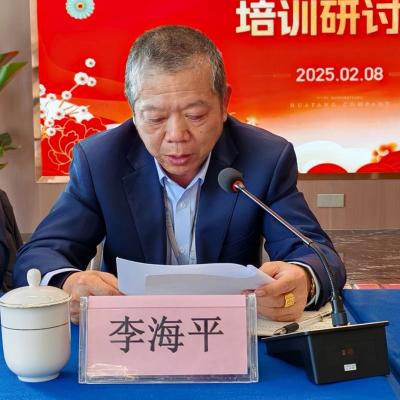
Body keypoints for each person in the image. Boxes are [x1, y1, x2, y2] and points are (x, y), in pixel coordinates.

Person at [13, 25, 345, 324]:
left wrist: (303, 280)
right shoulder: (100, 160)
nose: (176, 136)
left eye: (195, 115)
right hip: (131, 333)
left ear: (224, 103)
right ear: (132, 110)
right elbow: (39, 256)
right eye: (155, 118)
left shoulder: (265, 157)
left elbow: (318, 255)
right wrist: (68, 283)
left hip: (226, 332)